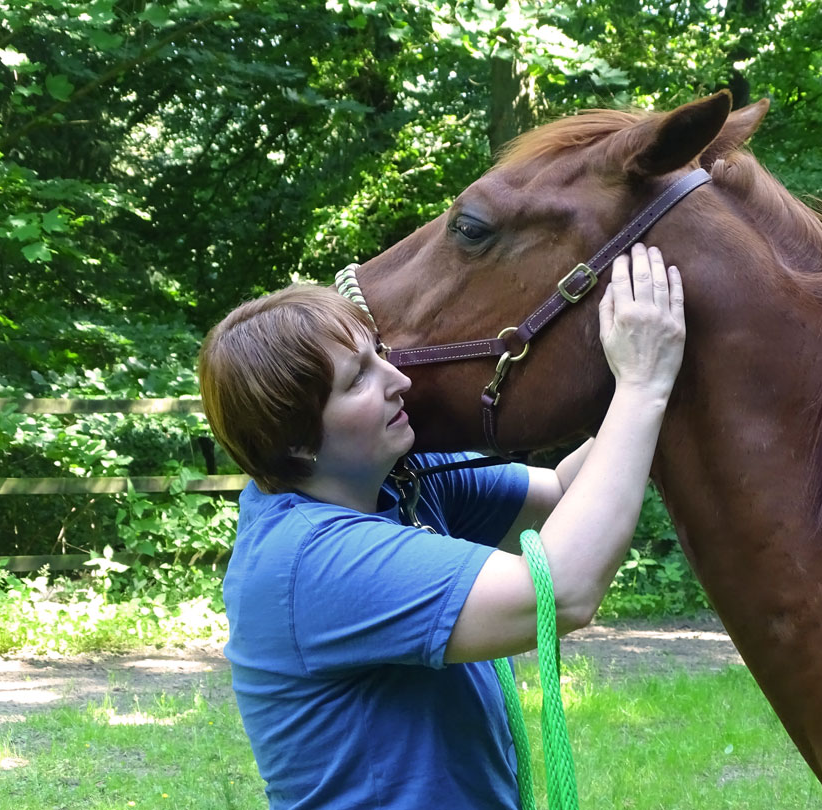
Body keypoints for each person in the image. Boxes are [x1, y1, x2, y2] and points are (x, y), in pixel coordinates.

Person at [197, 243, 687, 810]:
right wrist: (642, 386)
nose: (397, 378)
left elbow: (557, 494)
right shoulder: (310, 558)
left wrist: (661, 378)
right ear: (297, 441)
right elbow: (560, 591)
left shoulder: (393, 483)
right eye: (357, 380)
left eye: (378, 353)